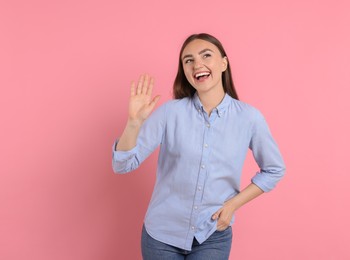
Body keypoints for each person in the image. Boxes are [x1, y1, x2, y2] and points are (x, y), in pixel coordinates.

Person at [112, 33, 285, 260]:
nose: (197, 64)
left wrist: (233, 205)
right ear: (185, 71)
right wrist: (133, 124)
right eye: (188, 60)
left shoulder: (249, 118)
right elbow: (122, 165)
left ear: (223, 63)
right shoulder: (170, 113)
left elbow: (274, 169)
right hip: (161, 235)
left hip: (212, 235)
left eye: (206, 55)